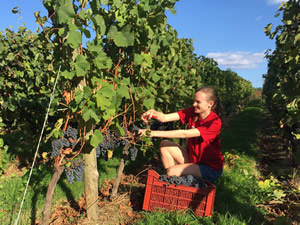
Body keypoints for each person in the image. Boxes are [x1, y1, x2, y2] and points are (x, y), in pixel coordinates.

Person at [138, 87, 224, 183]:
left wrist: (152, 133)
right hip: (194, 160)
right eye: (194, 101)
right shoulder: (194, 111)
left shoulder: (214, 122)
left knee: (172, 171)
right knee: (164, 144)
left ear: (210, 104)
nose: (194, 104)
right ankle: (176, 183)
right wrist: (152, 113)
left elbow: (184, 134)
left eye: (198, 102)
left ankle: (175, 181)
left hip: (210, 168)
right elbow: (164, 118)